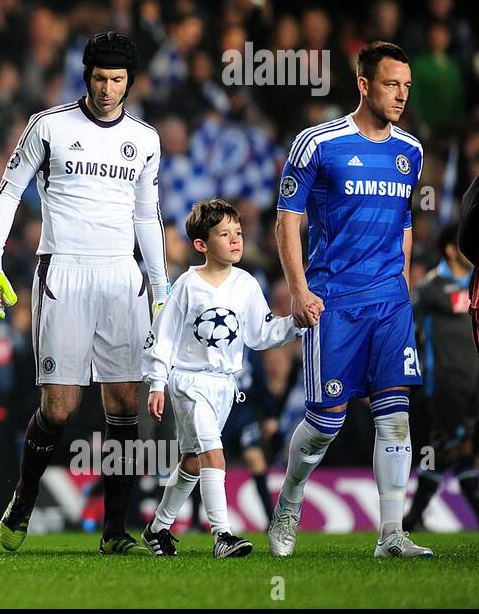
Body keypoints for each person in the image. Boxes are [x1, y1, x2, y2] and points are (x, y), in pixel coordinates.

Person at [0, 31, 168, 554]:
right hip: (62, 270)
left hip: (121, 274)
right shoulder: (49, 126)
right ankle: (23, 496)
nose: (107, 89)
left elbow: (146, 216)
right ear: (85, 76)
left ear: (130, 82)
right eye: (100, 78)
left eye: (118, 80)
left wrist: (160, 286)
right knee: (60, 408)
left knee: (126, 401)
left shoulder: (145, 139)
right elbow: (9, 190)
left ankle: (114, 532)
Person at [268, 41, 432, 558]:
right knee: (325, 422)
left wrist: (401, 278)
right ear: (364, 85)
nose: (401, 95)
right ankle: (289, 502)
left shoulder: (411, 151)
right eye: (391, 84)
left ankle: (391, 534)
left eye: (406, 86)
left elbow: (405, 220)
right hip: (333, 299)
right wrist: (298, 288)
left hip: (388, 301)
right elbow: (287, 219)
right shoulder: (318, 143)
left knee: (396, 415)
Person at [143, 199, 301, 557]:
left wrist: (295, 325)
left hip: (225, 386)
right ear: (201, 245)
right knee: (214, 454)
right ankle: (223, 535)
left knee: (193, 461)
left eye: (239, 233)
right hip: (189, 382)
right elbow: (163, 335)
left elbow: (259, 335)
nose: (235, 240)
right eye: (224, 234)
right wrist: (157, 382)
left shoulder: (246, 284)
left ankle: (158, 527)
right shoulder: (186, 285)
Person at [404, 222, 479, 530]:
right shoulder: (430, 289)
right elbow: (406, 328)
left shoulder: (476, 284)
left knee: (445, 449)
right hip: (446, 383)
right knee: (460, 446)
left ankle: (411, 518)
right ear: (451, 249)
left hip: (474, 381)